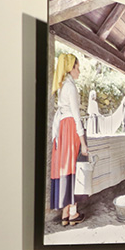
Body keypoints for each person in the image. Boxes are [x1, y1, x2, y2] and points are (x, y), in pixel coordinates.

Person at [49, 53, 89, 226]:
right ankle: (73, 213)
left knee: (65, 168)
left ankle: (66, 212)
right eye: (77, 67)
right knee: (75, 168)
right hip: (71, 128)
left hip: (63, 130)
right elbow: (76, 115)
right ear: (71, 67)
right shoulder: (71, 87)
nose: (79, 70)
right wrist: (84, 143)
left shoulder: (62, 85)